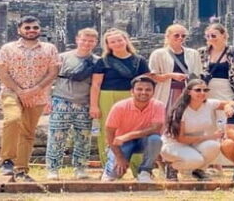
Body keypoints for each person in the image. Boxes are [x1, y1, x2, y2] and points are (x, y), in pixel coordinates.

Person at [0, 15, 59, 181]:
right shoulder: (8, 48)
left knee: (28, 132)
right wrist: (21, 91)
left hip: (37, 95)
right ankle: (7, 160)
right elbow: (2, 73)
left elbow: (53, 72)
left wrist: (34, 90)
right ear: (19, 30)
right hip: (12, 92)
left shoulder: (50, 48)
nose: (31, 31)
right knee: (13, 120)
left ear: (40, 29)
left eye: (35, 28)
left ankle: (21, 169)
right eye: (27, 28)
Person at [90, 28, 151, 166]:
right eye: (112, 42)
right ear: (108, 45)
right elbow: (95, 85)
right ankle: (109, 165)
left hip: (132, 97)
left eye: (119, 40)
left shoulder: (139, 61)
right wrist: (94, 105)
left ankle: (137, 167)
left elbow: (146, 82)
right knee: (108, 130)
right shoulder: (103, 61)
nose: (117, 43)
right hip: (107, 96)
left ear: (126, 41)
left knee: (135, 129)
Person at [45, 28, 100, 180]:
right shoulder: (62, 58)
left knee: (83, 138)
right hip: (61, 100)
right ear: (77, 39)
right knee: (57, 136)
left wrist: (94, 105)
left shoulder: (97, 61)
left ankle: (80, 168)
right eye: (84, 40)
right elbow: (50, 79)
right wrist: (47, 99)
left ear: (96, 43)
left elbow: (96, 85)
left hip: (84, 103)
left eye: (91, 41)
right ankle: (53, 168)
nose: (87, 43)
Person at [160, 79, 234, 180]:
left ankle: (198, 171)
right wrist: (210, 136)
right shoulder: (181, 110)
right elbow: (181, 139)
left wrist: (228, 106)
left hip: (194, 143)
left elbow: (232, 103)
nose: (202, 93)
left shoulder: (209, 104)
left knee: (215, 146)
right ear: (188, 92)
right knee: (197, 160)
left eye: (205, 90)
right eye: (198, 90)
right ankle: (172, 167)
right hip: (174, 145)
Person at [197, 23, 234, 171]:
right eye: (208, 36)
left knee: (226, 125)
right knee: (209, 126)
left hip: (228, 91)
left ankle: (227, 159)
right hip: (206, 92)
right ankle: (213, 162)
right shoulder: (202, 52)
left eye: (214, 35)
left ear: (224, 36)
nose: (211, 39)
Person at [101, 76, 165, 182]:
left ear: (153, 92)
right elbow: (110, 132)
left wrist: (128, 135)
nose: (144, 92)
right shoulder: (120, 107)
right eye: (139, 89)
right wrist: (119, 157)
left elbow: (156, 128)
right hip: (121, 143)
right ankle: (109, 170)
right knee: (113, 175)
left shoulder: (158, 106)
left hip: (144, 141)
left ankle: (145, 172)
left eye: (148, 89)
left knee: (156, 139)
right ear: (132, 91)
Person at [149, 24, 203, 110]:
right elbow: (153, 77)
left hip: (187, 93)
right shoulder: (158, 54)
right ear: (168, 36)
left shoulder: (193, 54)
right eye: (176, 35)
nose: (180, 38)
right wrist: (171, 75)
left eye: (183, 36)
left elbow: (198, 76)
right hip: (166, 91)